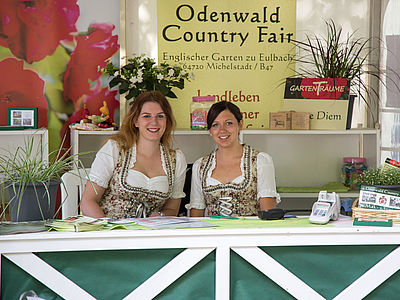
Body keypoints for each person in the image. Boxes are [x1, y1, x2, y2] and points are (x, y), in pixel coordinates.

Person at [80, 91, 187, 219]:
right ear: (136, 121)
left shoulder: (176, 159)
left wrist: (159, 216)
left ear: (167, 121)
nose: (154, 122)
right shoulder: (115, 149)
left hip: (150, 235)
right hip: (110, 232)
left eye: (160, 116)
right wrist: (109, 231)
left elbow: (172, 209)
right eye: (146, 116)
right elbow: (88, 202)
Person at [187, 101, 280, 217]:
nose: (222, 130)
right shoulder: (200, 166)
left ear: (240, 125)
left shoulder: (260, 161)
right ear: (210, 131)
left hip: (250, 234)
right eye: (215, 125)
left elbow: (268, 213)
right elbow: (196, 215)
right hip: (213, 234)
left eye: (228, 123)